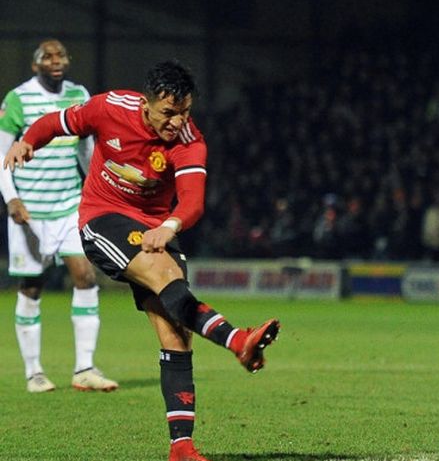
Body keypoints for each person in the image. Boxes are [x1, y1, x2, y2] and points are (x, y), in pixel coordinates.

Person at [4, 60, 280, 461]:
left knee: (176, 330)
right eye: (168, 112)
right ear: (145, 103)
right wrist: (27, 140)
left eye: (185, 112)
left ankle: (181, 447)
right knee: (167, 277)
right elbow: (58, 122)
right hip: (103, 217)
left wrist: (168, 226)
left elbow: (193, 202)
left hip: (156, 225)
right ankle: (237, 340)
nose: (177, 122)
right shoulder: (109, 107)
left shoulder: (190, 140)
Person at [0, 39, 118, 393]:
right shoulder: (18, 99)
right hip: (30, 210)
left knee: (85, 276)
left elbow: (86, 147)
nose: (55, 61)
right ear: (35, 65)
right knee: (32, 286)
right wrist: (12, 199)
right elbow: (2, 154)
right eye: (47, 57)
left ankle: (84, 368)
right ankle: (34, 371)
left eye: (61, 55)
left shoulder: (78, 93)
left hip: (70, 204)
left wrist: (97, 189)